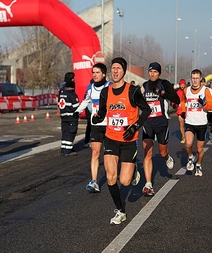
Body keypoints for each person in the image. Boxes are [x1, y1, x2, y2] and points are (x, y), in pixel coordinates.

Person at [92, 57, 151, 224]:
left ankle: (133, 172)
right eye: (113, 68)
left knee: (124, 181)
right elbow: (103, 111)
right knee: (111, 178)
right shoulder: (106, 92)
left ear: (124, 71)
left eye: (118, 68)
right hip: (111, 138)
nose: (115, 71)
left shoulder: (132, 91)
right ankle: (120, 210)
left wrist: (135, 126)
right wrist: (98, 117)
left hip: (128, 141)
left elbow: (146, 110)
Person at [140, 62, 180, 196]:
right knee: (147, 153)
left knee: (162, 152)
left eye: (155, 72)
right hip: (148, 124)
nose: (152, 74)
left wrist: (163, 93)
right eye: (150, 71)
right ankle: (148, 184)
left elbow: (177, 99)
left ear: (159, 73)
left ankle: (167, 157)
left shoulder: (164, 83)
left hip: (161, 123)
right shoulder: (144, 86)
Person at [73, 63, 112, 192]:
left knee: (111, 155)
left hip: (109, 125)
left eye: (97, 72)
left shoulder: (110, 87)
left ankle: (125, 172)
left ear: (104, 74)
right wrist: (77, 111)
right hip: (96, 125)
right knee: (95, 153)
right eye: (93, 72)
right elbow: (86, 100)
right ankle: (94, 181)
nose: (95, 75)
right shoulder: (90, 88)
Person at [180, 69, 212, 177]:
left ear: (200, 79)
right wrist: (184, 111)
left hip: (201, 123)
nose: (195, 81)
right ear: (191, 79)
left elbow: (211, 106)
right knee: (188, 143)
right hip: (190, 122)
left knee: (199, 149)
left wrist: (204, 104)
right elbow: (182, 101)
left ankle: (198, 164)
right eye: (193, 78)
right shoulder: (186, 90)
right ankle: (190, 157)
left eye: (197, 78)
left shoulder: (205, 90)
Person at [58, 77, 79, 156]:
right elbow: (76, 106)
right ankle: (68, 150)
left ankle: (64, 149)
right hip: (71, 117)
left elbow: (59, 104)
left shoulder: (62, 93)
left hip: (63, 117)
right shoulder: (72, 94)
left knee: (65, 132)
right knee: (71, 132)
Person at [173, 79, 187, 143]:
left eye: (183, 84)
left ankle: (188, 135)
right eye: (181, 84)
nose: (182, 86)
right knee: (181, 123)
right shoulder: (178, 92)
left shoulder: (188, 91)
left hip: (187, 109)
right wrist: (174, 104)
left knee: (188, 124)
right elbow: (175, 99)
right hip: (180, 109)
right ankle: (183, 137)